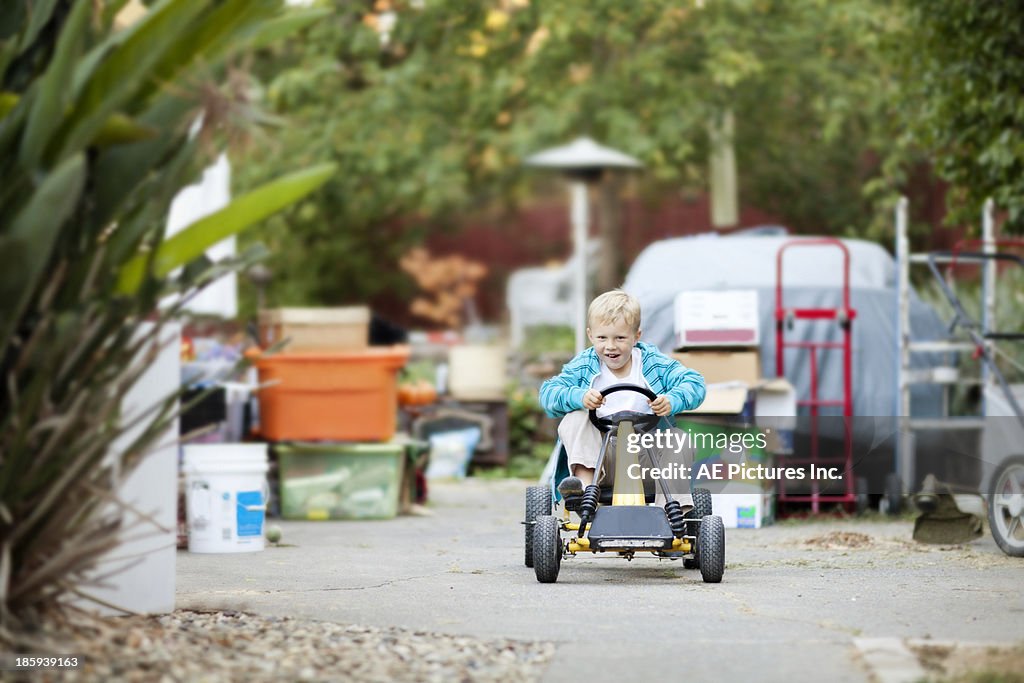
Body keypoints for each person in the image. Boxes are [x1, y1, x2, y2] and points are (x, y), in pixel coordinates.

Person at [538, 289, 706, 503]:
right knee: (575, 418)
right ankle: (584, 490)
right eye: (602, 338)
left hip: (647, 458)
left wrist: (673, 400)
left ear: (636, 336)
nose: (610, 346)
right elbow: (549, 393)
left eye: (620, 338)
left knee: (679, 439)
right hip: (600, 459)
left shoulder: (652, 363)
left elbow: (694, 383)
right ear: (590, 335)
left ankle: (673, 511)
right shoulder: (584, 365)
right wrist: (579, 396)